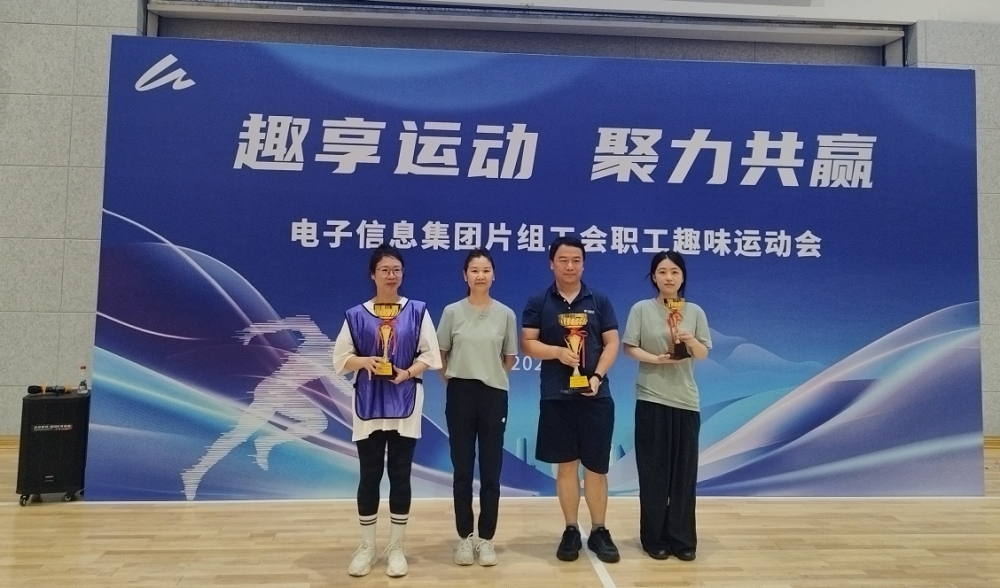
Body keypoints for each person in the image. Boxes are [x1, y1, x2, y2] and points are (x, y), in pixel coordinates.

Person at [332, 244, 442, 578]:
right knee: (369, 475)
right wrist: (365, 361)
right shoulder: (356, 315)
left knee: (400, 474)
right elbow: (340, 359)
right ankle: (367, 547)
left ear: (402, 274)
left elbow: (431, 356)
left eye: (396, 270)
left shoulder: (417, 311)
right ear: (373, 275)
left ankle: (396, 547)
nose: (391, 275)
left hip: (405, 402)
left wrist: (407, 372)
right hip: (368, 402)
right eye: (385, 270)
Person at [520, 236, 621, 564]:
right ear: (551, 263)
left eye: (576, 260)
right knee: (566, 467)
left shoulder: (599, 300)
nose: (570, 266)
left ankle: (600, 530)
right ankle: (571, 529)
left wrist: (597, 376)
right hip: (556, 396)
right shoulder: (539, 301)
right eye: (563, 260)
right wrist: (558, 353)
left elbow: (612, 343)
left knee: (596, 468)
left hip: (595, 396)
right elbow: (528, 343)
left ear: (583, 264)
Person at [622, 251, 711, 562]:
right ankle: (654, 538)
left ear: (683, 277)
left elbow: (703, 353)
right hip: (651, 398)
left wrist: (690, 340)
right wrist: (655, 359)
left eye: (674, 271)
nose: (668, 277)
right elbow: (629, 348)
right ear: (654, 277)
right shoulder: (641, 309)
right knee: (654, 473)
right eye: (662, 272)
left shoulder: (694, 312)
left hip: (686, 401)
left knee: (683, 475)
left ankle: (682, 539)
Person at [437, 248, 518, 567]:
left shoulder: (506, 314)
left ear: (493, 275)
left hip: (493, 394)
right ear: (465, 276)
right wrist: (457, 381)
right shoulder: (452, 312)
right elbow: (441, 354)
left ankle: (485, 539)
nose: (480, 275)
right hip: (460, 393)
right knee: (462, 468)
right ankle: (464, 537)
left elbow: (509, 358)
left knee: (491, 469)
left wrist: (490, 376)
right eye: (474, 270)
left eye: (485, 270)